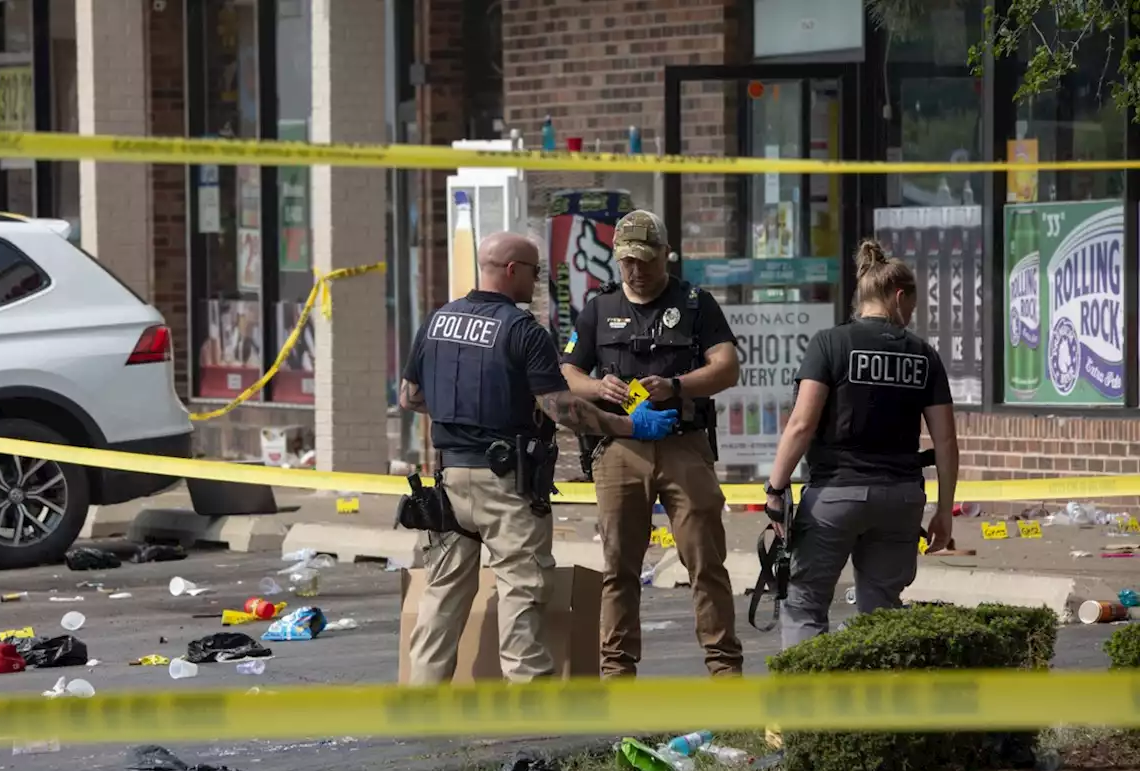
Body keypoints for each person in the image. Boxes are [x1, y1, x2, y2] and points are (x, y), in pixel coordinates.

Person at [398, 231, 680, 684]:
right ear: (512, 270)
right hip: (507, 483)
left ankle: (420, 704)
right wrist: (631, 426)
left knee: (443, 594)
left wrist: (465, 416)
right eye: (534, 271)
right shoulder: (522, 330)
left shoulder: (436, 322)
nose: (537, 281)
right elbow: (562, 408)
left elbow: (411, 397)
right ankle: (529, 715)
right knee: (522, 591)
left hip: (449, 481)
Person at [560, 209, 744, 678]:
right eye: (626, 262)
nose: (636, 271)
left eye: (645, 260)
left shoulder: (696, 303)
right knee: (619, 566)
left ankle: (725, 673)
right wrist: (600, 388)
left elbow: (726, 367)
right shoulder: (599, 308)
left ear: (666, 254)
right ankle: (617, 676)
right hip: (620, 447)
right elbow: (567, 373)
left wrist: (678, 385)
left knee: (705, 561)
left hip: (684, 444)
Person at [764, 239, 959, 649]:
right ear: (899, 297)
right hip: (902, 500)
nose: (911, 316)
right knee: (883, 608)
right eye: (913, 307)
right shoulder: (925, 355)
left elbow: (801, 424)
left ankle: (808, 705)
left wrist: (775, 490)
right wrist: (944, 511)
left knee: (805, 604)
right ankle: (878, 705)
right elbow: (945, 440)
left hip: (836, 497)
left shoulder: (829, 344)